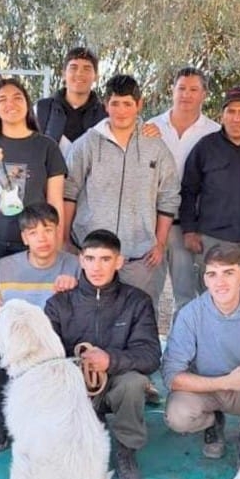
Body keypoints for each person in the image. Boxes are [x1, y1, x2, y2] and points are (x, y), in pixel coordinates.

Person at [45, 229, 161, 479]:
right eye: (90, 259)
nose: (97, 267)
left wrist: (111, 360)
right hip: (74, 388)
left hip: (115, 385)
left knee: (134, 382)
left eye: (105, 259)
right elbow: (47, 358)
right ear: (81, 260)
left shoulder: (137, 301)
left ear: (119, 262)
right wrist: (77, 369)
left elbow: (151, 355)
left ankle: (126, 451)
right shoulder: (58, 303)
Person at [63, 74, 180, 311]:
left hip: (139, 258)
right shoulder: (87, 143)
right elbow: (69, 190)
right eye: (115, 103)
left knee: (138, 317)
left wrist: (159, 243)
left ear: (139, 105)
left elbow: (168, 196)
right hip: (93, 254)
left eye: (127, 103)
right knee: (90, 316)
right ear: (105, 105)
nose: (121, 111)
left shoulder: (156, 146)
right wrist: (64, 239)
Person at [0, 204, 80, 451]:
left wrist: (76, 288)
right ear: (24, 238)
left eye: (48, 230)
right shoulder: (4, 267)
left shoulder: (74, 265)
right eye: (33, 232)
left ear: (58, 231)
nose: (42, 238)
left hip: (54, 340)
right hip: (15, 340)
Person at [162, 245, 240, 462]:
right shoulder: (189, 315)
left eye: (228, 273)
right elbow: (172, 376)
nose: (220, 282)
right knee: (178, 416)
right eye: (212, 274)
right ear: (205, 280)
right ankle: (212, 422)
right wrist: (226, 382)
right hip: (207, 387)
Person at [180, 85, 240, 302]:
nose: (236, 118)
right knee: (215, 302)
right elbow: (188, 190)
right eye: (231, 111)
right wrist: (189, 230)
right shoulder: (205, 147)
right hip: (212, 241)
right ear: (222, 115)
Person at [0, 78, 67, 265]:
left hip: (34, 243)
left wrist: (56, 246)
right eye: (2, 99)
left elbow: (55, 201)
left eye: (17, 97)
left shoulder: (47, 147)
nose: (10, 104)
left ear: (27, 103)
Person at [146, 67, 221, 313]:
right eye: (181, 88)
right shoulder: (151, 127)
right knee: (147, 295)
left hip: (188, 227)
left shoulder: (214, 133)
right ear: (172, 90)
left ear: (204, 94)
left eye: (193, 89)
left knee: (186, 295)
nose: (186, 95)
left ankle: (185, 338)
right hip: (152, 224)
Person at [33, 47, 107, 155]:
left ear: (96, 76)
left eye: (87, 69)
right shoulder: (41, 109)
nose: (79, 73)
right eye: (73, 68)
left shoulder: (106, 115)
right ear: (63, 74)